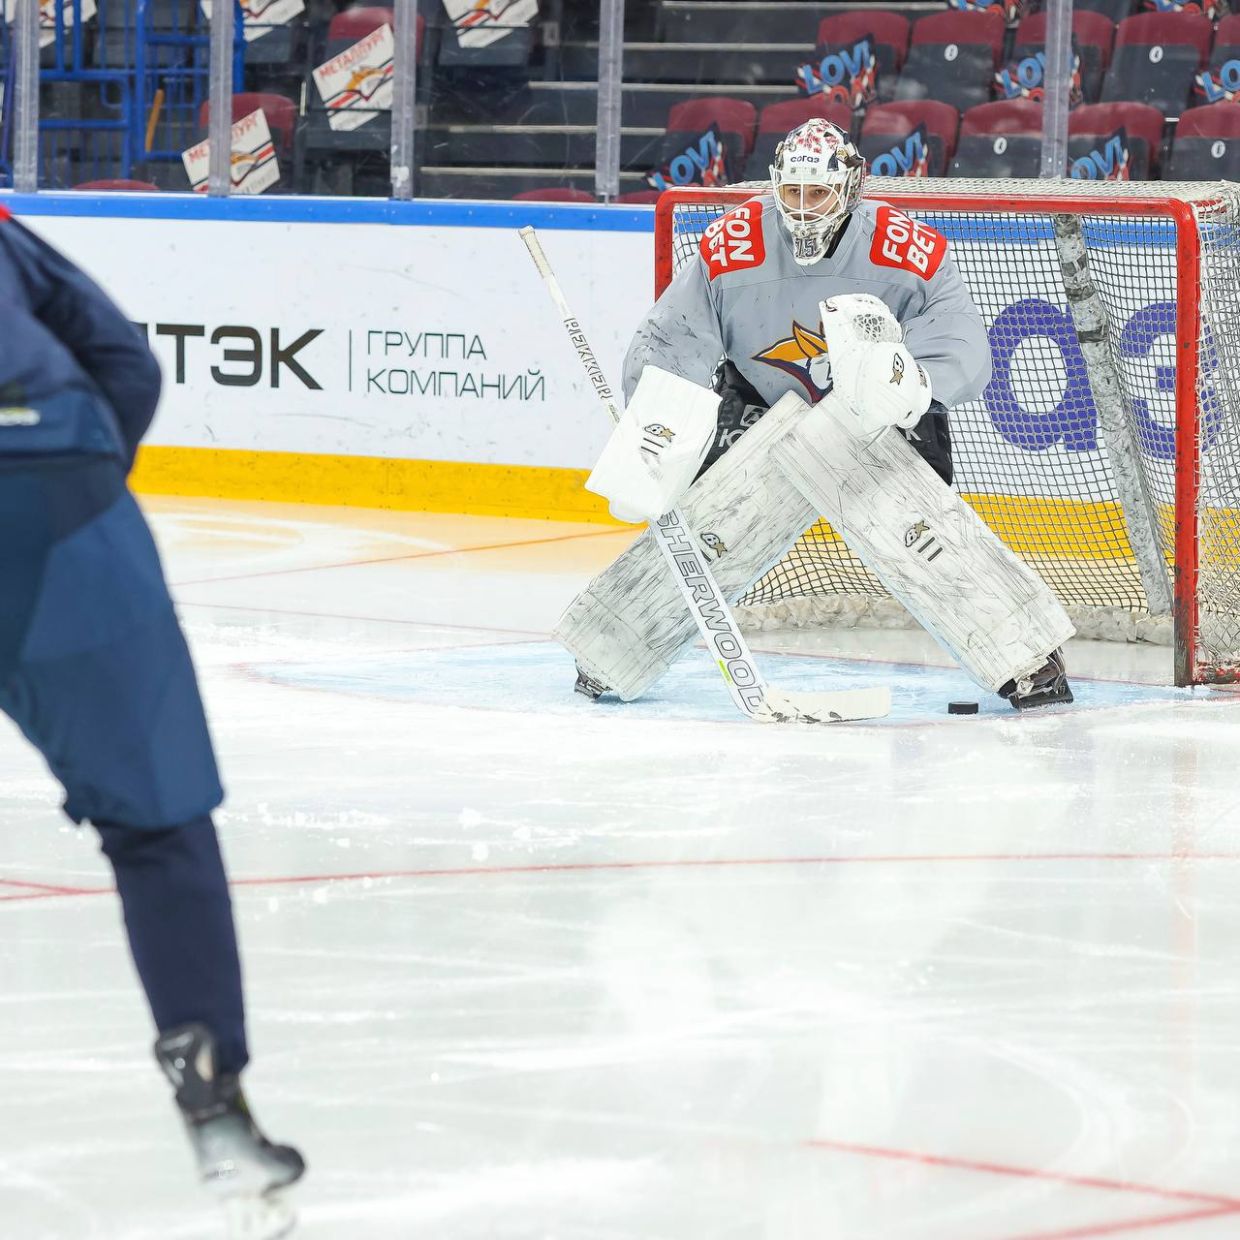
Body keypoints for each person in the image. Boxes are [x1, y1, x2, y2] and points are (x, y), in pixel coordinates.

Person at [0, 206, 305, 1237]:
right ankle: (214, 1106)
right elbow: (123, 362)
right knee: (158, 823)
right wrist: (79, 507)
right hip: (50, 477)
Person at [616, 118, 1071, 709]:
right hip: (761, 400)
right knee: (707, 530)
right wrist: (656, 425)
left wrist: (916, 383)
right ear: (775, 186)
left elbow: (960, 337)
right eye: (793, 193)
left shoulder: (905, 245)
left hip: (878, 411)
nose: (804, 209)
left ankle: (1027, 660)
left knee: (920, 535)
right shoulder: (731, 243)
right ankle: (616, 641)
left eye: (819, 193)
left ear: (851, 188)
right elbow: (672, 335)